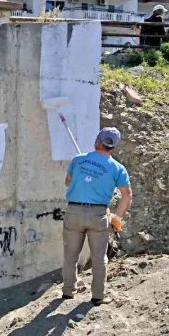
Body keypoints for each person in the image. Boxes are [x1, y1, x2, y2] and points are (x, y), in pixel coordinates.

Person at [62, 128, 132, 305]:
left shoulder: (78, 160)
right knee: (99, 258)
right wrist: (117, 219)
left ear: (97, 141)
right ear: (113, 146)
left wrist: (83, 174)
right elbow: (127, 195)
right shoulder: (118, 168)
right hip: (99, 215)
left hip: (74, 212)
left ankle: (68, 292)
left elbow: (67, 182)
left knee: (70, 255)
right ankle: (98, 296)